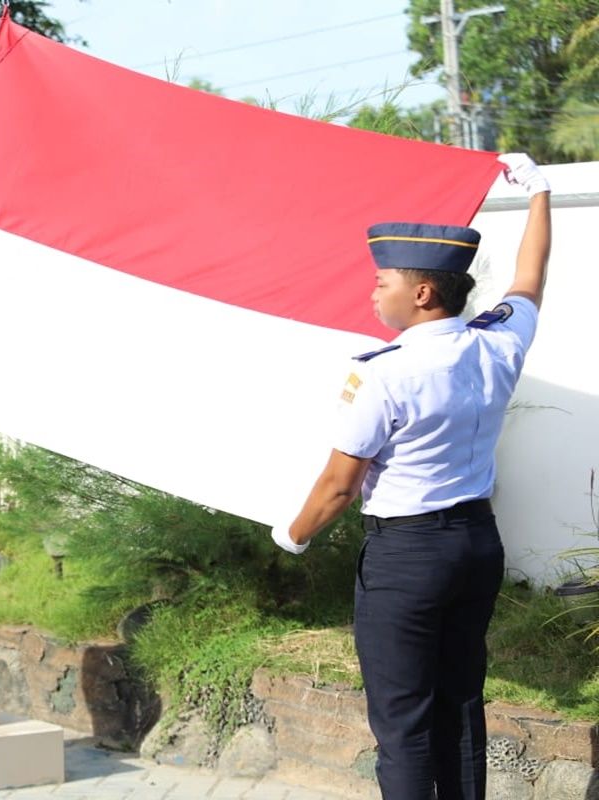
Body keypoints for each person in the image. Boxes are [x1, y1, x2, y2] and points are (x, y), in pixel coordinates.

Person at [271, 152, 551, 800]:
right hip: (477, 545)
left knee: (402, 723)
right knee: (459, 705)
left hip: (408, 557)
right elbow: (530, 278)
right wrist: (538, 193)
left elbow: (340, 484)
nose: (374, 290)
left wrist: (293, 535)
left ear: (422, 293)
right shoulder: (498, 342)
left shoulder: (386, 372)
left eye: (383, 281)